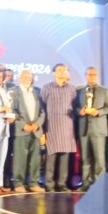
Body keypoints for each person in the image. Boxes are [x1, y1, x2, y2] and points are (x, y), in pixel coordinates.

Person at [75, 67, 108, 191]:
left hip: (98, 129)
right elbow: (75, 107)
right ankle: (85, 183)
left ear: (97, 76)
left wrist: (98, 112)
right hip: (84, 129)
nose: (91, 76)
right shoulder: (79, 91)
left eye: (93, 74)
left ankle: (99, 185)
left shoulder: (104, 91)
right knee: (85, 159)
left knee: (99, 160)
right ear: (85, 75)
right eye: (89, 74)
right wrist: (79, 111)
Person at [41, 64, 77, 192]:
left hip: (67, 126)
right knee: (51, 156)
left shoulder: (72, 89)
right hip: (52, 126)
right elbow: (42, 106)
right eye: (59, 70)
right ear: (54, 73)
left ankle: (62, 184)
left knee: (64, 157)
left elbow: (74, 105)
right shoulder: (47, 87)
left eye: (64, 70)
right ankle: (49, 184)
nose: (62, 72)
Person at [10, 69, 45, 192]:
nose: (27, 79)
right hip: (21, 130)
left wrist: (37, 124)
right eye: (24, 77)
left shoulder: (37, 92)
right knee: (20, 158)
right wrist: (22, 124)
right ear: (19, 78)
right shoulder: (13, 92)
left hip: (35, 131)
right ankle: (18, 183)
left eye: (29, 77)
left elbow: (42, 112)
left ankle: (33, 183)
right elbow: (12, 111)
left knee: (35, 159)